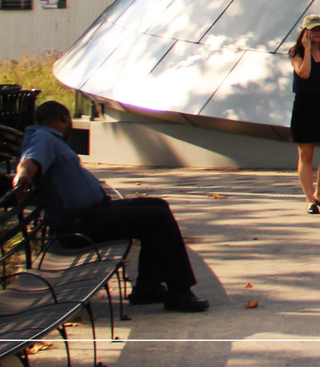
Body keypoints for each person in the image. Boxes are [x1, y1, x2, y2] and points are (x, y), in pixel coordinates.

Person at [13, 101, 209, 312]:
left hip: (94, 214)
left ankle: (147, 287)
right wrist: (22, 176)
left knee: (158, 206)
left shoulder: (49, 138)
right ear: (63, 118)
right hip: (80, 226)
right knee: (157, 219)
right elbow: (30, 161)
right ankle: (179, 292)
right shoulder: (43, 138)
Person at [290, 12, 320, 213]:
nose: (317, 33)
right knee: (306, 156)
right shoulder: (297, 53)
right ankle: (309, 200)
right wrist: (308, 49)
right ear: (305, 32)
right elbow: (304, 73)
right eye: (312, 30)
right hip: (305, 105)